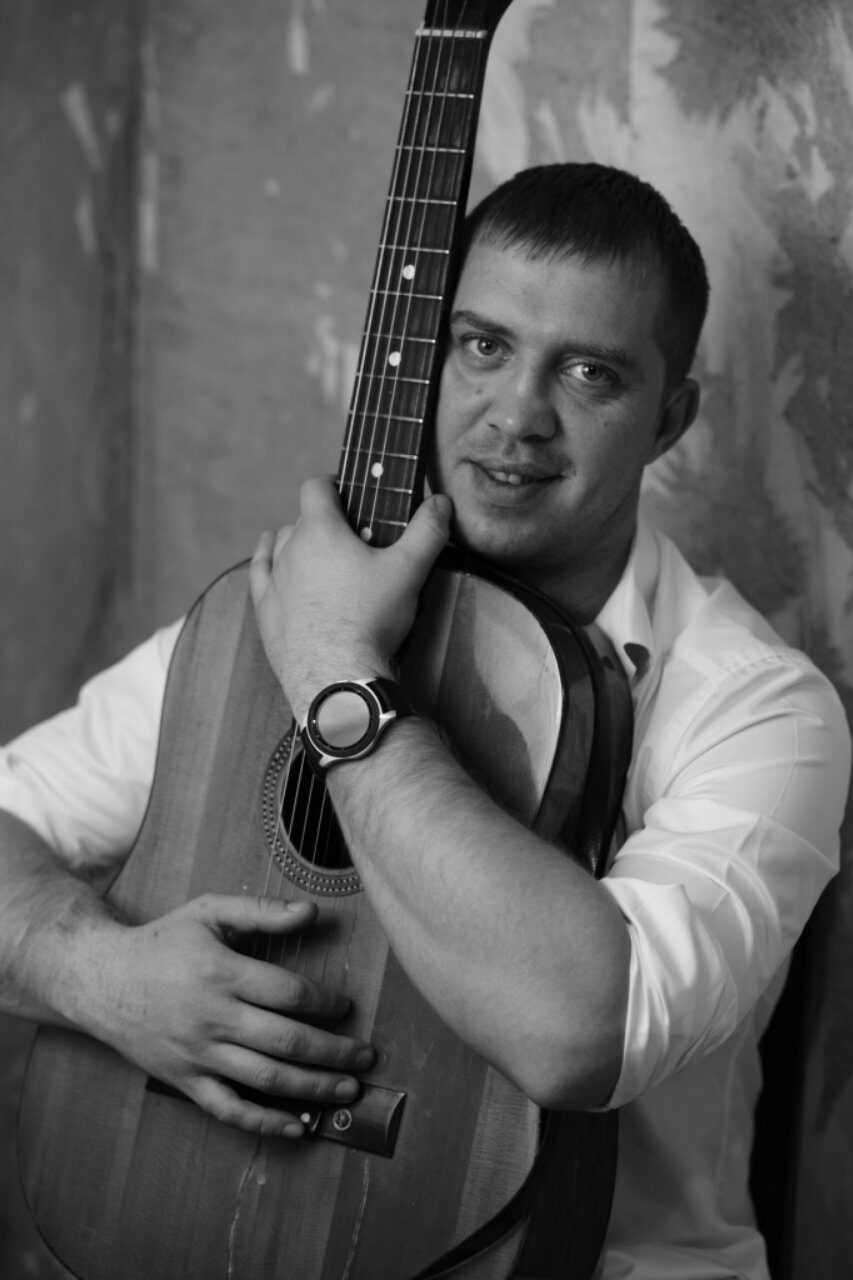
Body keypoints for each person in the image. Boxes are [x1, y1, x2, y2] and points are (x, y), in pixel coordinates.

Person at [0, 163, 848, 1279]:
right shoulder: (282, 608)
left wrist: (334, 668)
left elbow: (578, 1032)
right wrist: (105, 979)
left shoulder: (760, 707)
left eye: (589, 372)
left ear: (668, 419)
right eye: (482, 345)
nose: (517, 416)